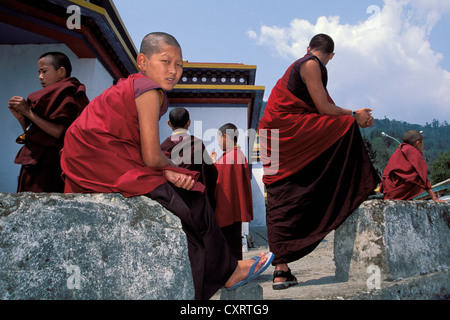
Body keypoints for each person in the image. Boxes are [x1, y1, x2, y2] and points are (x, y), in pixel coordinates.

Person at [60, 32, 272, 300]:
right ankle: (228, 272)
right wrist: (171, 169)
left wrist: (167, 168)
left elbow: (138, 149)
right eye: (166, 61)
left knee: (185, 188)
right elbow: (150, 157)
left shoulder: (134, 86)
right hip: (100, 162)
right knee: (194, 198)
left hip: (86, 161)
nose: (174, 70)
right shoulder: (149, 90)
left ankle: (224, 270)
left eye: (180, 64)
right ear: (142, 61)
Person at [258, 33, 380, 290]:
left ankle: (281, 271)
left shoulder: (302, 64)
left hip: (272, 137)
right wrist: (354, 114)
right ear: (331, 56)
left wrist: (352, 115)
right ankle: (362, 186)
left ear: (309, 47)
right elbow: (324, 108)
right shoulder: (312, 64)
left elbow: (318, 107)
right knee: (345, 125)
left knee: (281, 192)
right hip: (285, 133)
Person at [8, 52, 89, 193]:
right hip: (34, 162)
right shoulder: (48, 96)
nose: (40, 77)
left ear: (61, 71)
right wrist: (22, 118)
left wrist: (28, 112)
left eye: (44, 71)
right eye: (39, 72)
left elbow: (58, 132)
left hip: (50, 165)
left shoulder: (67, 92)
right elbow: (34, 134)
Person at [210, 123, 254, 260]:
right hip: (236, 209)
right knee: (235, 244)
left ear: (224, 137)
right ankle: (237, 270)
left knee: (227, 244)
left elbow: (216, 180)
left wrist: (213, 164)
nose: (218, 143)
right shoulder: (239, 155)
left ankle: (231, 273)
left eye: (218, 139)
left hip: (225, 209)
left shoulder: (227, 158)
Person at [161, 107, 218, 210]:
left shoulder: (163, 147)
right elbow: (211, 174)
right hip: (194, 200)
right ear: (189, 122)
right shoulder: (197, 144)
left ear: (169, 123)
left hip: (171, 200)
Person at [380, 130, 440, 201]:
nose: (423, 146)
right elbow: (423, 177)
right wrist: (434, 198)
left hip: (389, 189)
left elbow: (386, 173)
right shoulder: (415, 152)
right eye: (423, 143)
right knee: (418, 179)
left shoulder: (399, 150)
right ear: (418, 143)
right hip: (400, 189)